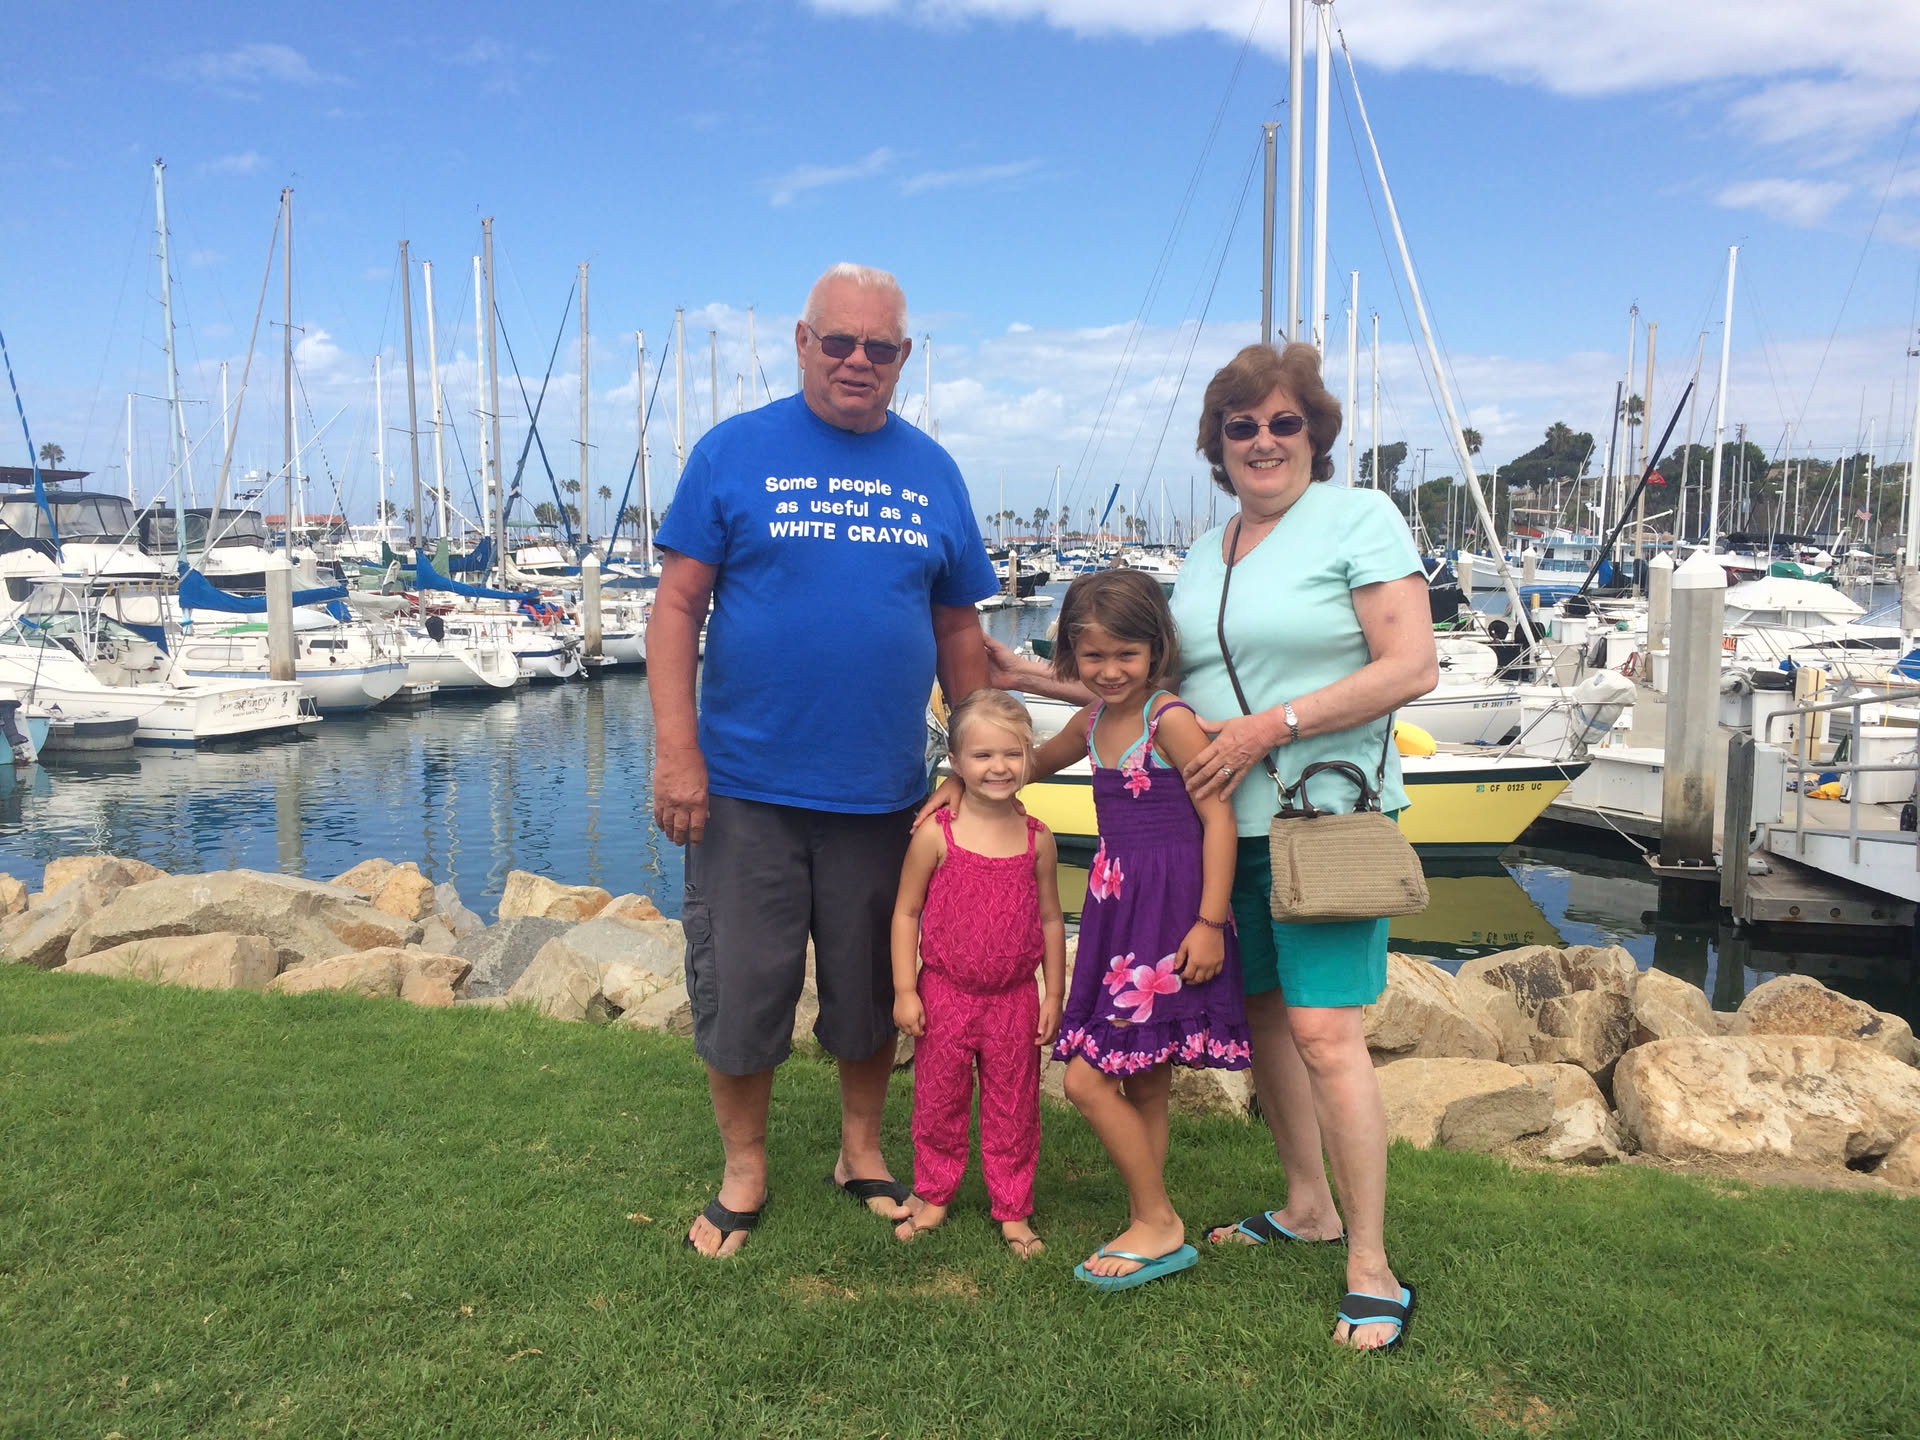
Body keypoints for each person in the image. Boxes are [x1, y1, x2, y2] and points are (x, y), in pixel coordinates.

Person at [988, 342, 1436, 1346]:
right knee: (1267, 1019)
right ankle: (1309, 1206)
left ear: (1314, 433)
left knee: (1325, 1034)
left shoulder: (1359, 519)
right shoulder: (1205, 553)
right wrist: (1028, 677)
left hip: (1324, 818)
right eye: (1242, 426)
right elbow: (1145, 689)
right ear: (1218, 443)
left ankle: (1371, 1264)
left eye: (1284, 422)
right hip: (1219, 835)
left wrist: (1267, 730)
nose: (1263, 441)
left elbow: (1412, 666)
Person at [648, 262, 1001, 1259]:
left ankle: (861, 1150)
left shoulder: (933, 470)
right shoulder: (732, 452)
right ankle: (744, 1169)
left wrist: (970, 762)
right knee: (741, 987)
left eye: (878, 347)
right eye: (838, 342)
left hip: (883, 793)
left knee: (869, 989)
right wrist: (677, 752)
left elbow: (958, 627)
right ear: (802, 343)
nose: (857, 361)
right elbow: (676, 607)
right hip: (743, 788)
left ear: (903, 356)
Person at [925, 570, 1251, 1292]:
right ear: (1072, 653)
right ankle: (1150, 1217)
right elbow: (1023, 766)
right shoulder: (1094, 721)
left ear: (1156, 648)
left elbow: (1219, 820)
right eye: (1093, 656)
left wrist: (1209, 923)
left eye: (1126, 655)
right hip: (1118, 908)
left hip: (1171, 915)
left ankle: (1157, 1220)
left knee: (1085, 1079)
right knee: (1147, 1079)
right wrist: (961, 779)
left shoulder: (1168, 720)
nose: (1109, 671)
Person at [890, 689, 1066, 1259]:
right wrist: (905, 989)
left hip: (1014, 999)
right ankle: (934, 1194)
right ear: (956, 762)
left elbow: (1050, 918)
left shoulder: (1038, 838)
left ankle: (1013, 1208)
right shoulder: (936, 833)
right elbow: (906, 912)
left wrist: (1053, 994)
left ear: (1029, 757)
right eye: (983, 755)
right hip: (945, 993)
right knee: (938, 1101)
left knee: (1014, 1106)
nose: (999, 767)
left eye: (1012, 754)